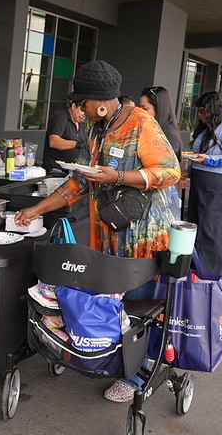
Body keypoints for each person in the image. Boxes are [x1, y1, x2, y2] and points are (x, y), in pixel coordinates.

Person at [14, 60, 180, 403]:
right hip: (109, 232)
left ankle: (138, 376)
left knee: (140, 306)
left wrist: (117, 177)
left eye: (82, 102)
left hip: (143, 237)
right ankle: (116, 358)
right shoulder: (94, 130)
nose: (79, 108)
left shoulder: (141, 123)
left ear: (101, 101)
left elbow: (170, 171)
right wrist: (35, 209)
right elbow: (78, 181)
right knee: (113, 299)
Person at [186, 91, 222, 283]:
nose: (200, 113)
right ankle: (197, 273)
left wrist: (207, 159)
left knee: (213, 231)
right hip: (200, 181)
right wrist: (190, 171)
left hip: (218, 184)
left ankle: (212, 278)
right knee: (198, 227)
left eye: (204, 110)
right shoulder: (206, 128)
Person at [41, 99, 86, 173]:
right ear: (73, 106)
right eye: (82, 110)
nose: (84, 115)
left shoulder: (80, 123)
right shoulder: (60, 117)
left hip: (72, 170)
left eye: (86, 112)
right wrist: (76, 144)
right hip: (56, 170)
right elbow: (53, 142)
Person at [138, 86, 181, 160]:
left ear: (158, 108)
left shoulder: (169, 134)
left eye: (145, 109)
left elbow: (166, 164)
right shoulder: (149, 128)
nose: (140, 112)